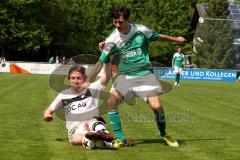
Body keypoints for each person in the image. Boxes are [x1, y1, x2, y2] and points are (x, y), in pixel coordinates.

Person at [83, 6, 186, 147]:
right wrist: (88, 80)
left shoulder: (141, 30)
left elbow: (158, 36)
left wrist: (176, 39)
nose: (117, 25)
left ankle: (164, 134)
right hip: (124, 77)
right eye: (115, 22)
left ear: (127, 20)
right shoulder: (111, 39)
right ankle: (120, 138)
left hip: (144, 75)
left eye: (120, 22)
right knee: (111, 102)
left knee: (157, 108)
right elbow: (101, 61)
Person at [43, 62, 120, 149]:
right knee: (75, 140)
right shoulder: (63, 95)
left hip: (93, 122)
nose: (75, 81)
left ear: (84, 79)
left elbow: (107, 75)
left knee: (89, 119)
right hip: (76, 129)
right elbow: (48, 110)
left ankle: (103, 133)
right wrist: (47, 115)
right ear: (69, 79)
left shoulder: (92, 88)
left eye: (78, 78)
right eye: (73, 78)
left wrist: (106, 60)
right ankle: (103, 141)